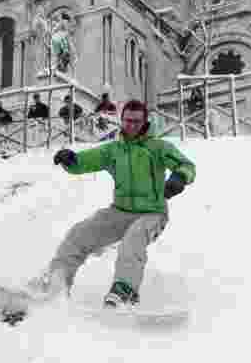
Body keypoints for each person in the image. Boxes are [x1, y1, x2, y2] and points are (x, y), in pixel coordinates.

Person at [30, 99, 196, 308]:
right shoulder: (114, 150)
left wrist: (180, 177)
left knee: (132, 242)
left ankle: (124, 291)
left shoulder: (159, 147)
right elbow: (85, 161)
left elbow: (186, 165)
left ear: (145, 122)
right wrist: (71, 159)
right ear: (122, 120)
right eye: (127, 121)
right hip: (119, 212)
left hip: (152, 214)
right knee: (79, 234)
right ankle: (56, 283)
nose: (132, 125)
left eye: (137, 121)